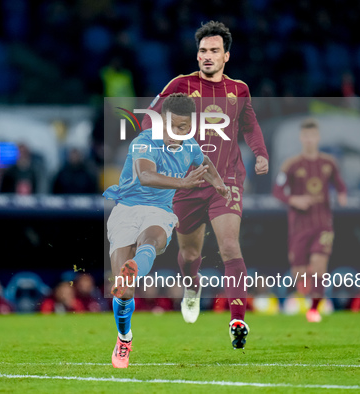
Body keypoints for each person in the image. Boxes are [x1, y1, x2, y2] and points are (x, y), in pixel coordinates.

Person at [142, 21, 269, 349]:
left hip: (225, 179)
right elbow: (148, 119)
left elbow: (250, 125)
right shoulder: (180, 85)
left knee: (229, 246)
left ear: (226, 55)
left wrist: (260, 154)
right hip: (188, 182)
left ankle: (237, 319)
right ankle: (191, 286)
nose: (207, 56)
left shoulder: (238, 90)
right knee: (189, 255)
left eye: (214, 51)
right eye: (202, 51)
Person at [105, 93, 231, 368]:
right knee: (123, 292)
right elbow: (146, 176)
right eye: (174, 126)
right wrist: (184, 185)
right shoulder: (144, 142)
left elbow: (205, 164)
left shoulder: (190, 145)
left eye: (185, 127)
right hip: (126, 209)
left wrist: (219, 185)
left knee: (152, 238)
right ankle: (124, 338)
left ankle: (134, 268)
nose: (179, 132)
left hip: (159, 212)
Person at [273, 118, 347, 322]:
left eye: (312, 135)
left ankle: (314, 309)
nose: (309, 139)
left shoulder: (329, 163)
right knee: (299, 273)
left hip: (323, 224)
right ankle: (303, 299)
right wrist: (294, 199)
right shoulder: (291, 164)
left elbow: (340, 184)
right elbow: (277, 191)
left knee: (319, 264)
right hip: (298, 227)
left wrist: (342, 195)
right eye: (306, 136)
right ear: (301, 138)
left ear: (318, 137)